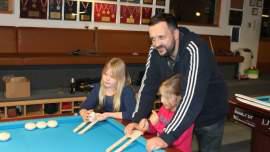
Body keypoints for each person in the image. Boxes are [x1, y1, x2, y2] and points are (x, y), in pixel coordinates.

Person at [125, 13, 228, 152]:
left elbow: (191, 99)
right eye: (153, 39)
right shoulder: (155, 50)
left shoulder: (195, 49)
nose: (156, 44)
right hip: (178, 113)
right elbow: (148, 86)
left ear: (176, 34)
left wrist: (167, 136)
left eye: (161, 37)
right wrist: (137, 119)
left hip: (209, 114)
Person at [136, 74, 194, 152]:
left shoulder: (186, 117)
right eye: (161, 96)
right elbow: (155, 130)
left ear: (179, 97)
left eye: (167, 97)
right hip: (162, 148)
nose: (162, 100)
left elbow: (174, 141)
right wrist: (148, 126)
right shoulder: (164, 108)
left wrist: (157, 124)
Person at [80, 57, 136, 122]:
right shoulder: (98, 88)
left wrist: (108, 115)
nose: (107, 79)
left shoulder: (127, 91)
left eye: (112, 76)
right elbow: (85, 107)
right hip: (105, 124)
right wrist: (83, 112)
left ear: (120, 78)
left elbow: (132, 114)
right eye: (105, 74)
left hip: (123, 125)